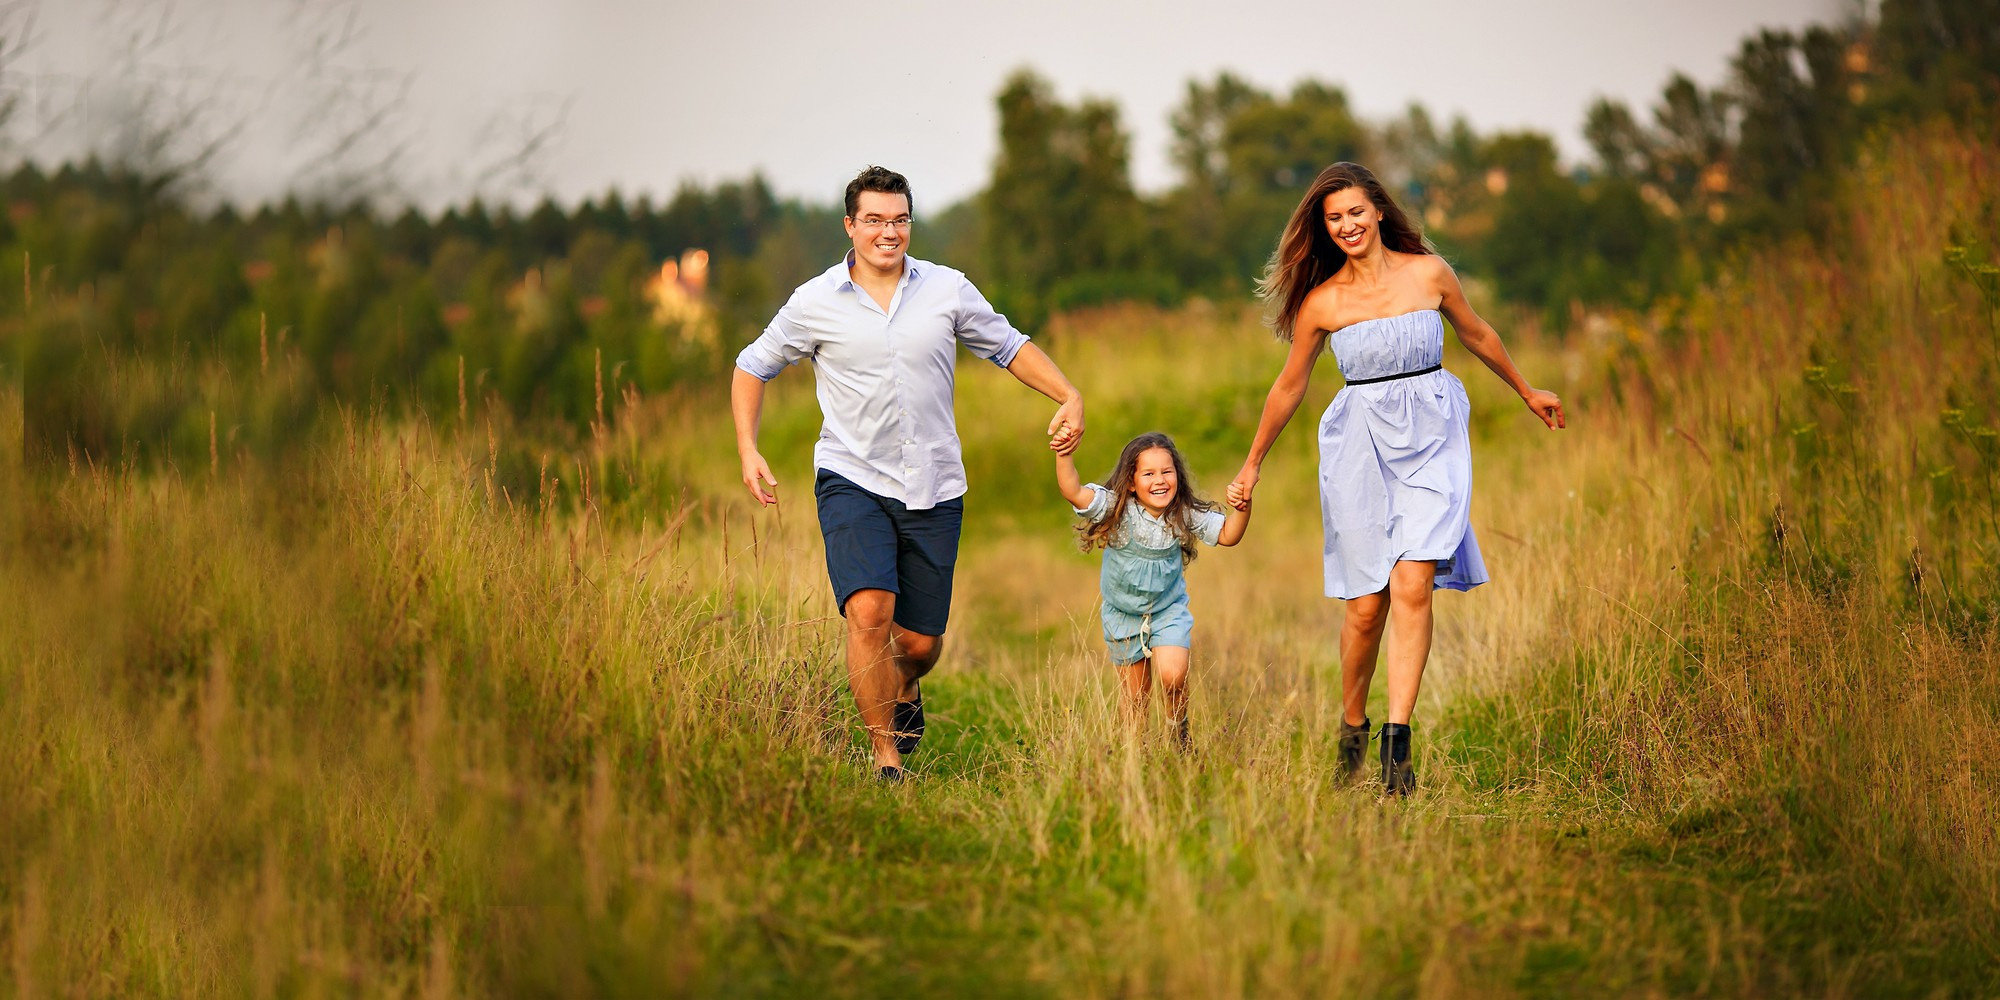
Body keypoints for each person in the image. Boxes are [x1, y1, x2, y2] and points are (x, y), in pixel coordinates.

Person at [732, 165, 1085, 783]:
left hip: (935, 483)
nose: (887, 232)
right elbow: (752, 365)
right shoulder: (814, 301)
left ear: (909, 224)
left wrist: (1067, 394)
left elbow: (1007, 345)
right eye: (874, 220)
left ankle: (901, 685)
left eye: (898, 220)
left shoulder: (946, 289)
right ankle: (885, 758)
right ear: (850, 225)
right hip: (851, 476)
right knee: (869, 611)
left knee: (919, 644)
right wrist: (748, 447)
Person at [1225, 161, 1564, 795]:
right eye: (1334, 218)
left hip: (1433, 435)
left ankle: (1397, 748)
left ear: (1379, 210)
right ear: (1324, 230)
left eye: (1356, 211)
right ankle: (1352, 728)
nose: (1348, 225)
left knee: (1414, 584)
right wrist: (1252, 462)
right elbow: (1289, 386)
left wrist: (1525, 389)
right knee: (1364, 609)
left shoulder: (1429, 274)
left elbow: (1478, 334)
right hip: (1358, 447)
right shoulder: (1323, 303)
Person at [1056, 432, 1251, 750]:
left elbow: (1228, 534)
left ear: (1178, 475)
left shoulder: (1183, 513)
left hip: (1167, 611)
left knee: (1173, 677)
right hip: (1123, 616)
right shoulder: (1116, 508)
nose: (1159, 481)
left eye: (1166, 472)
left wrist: (1243, 507)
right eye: (1148, 473)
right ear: (1131, 482)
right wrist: (1063, 452)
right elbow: (1072, 490)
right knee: (1134, 703)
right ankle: (1136, 760)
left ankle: (1179, 734)